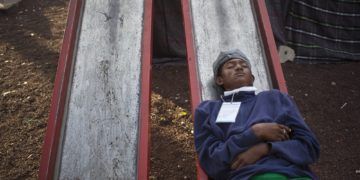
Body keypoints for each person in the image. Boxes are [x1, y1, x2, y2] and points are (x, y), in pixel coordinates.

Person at [194, 49, 320, 180]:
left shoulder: (276, 98)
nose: (238, 67)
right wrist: (255, 133)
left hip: (297, 174)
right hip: (251, 175)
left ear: (252, 78)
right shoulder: (208, 110)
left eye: (244, 66)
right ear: (219, 80)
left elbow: (309, 147)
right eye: (230, 66)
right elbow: (212, 161)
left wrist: (265, 148)